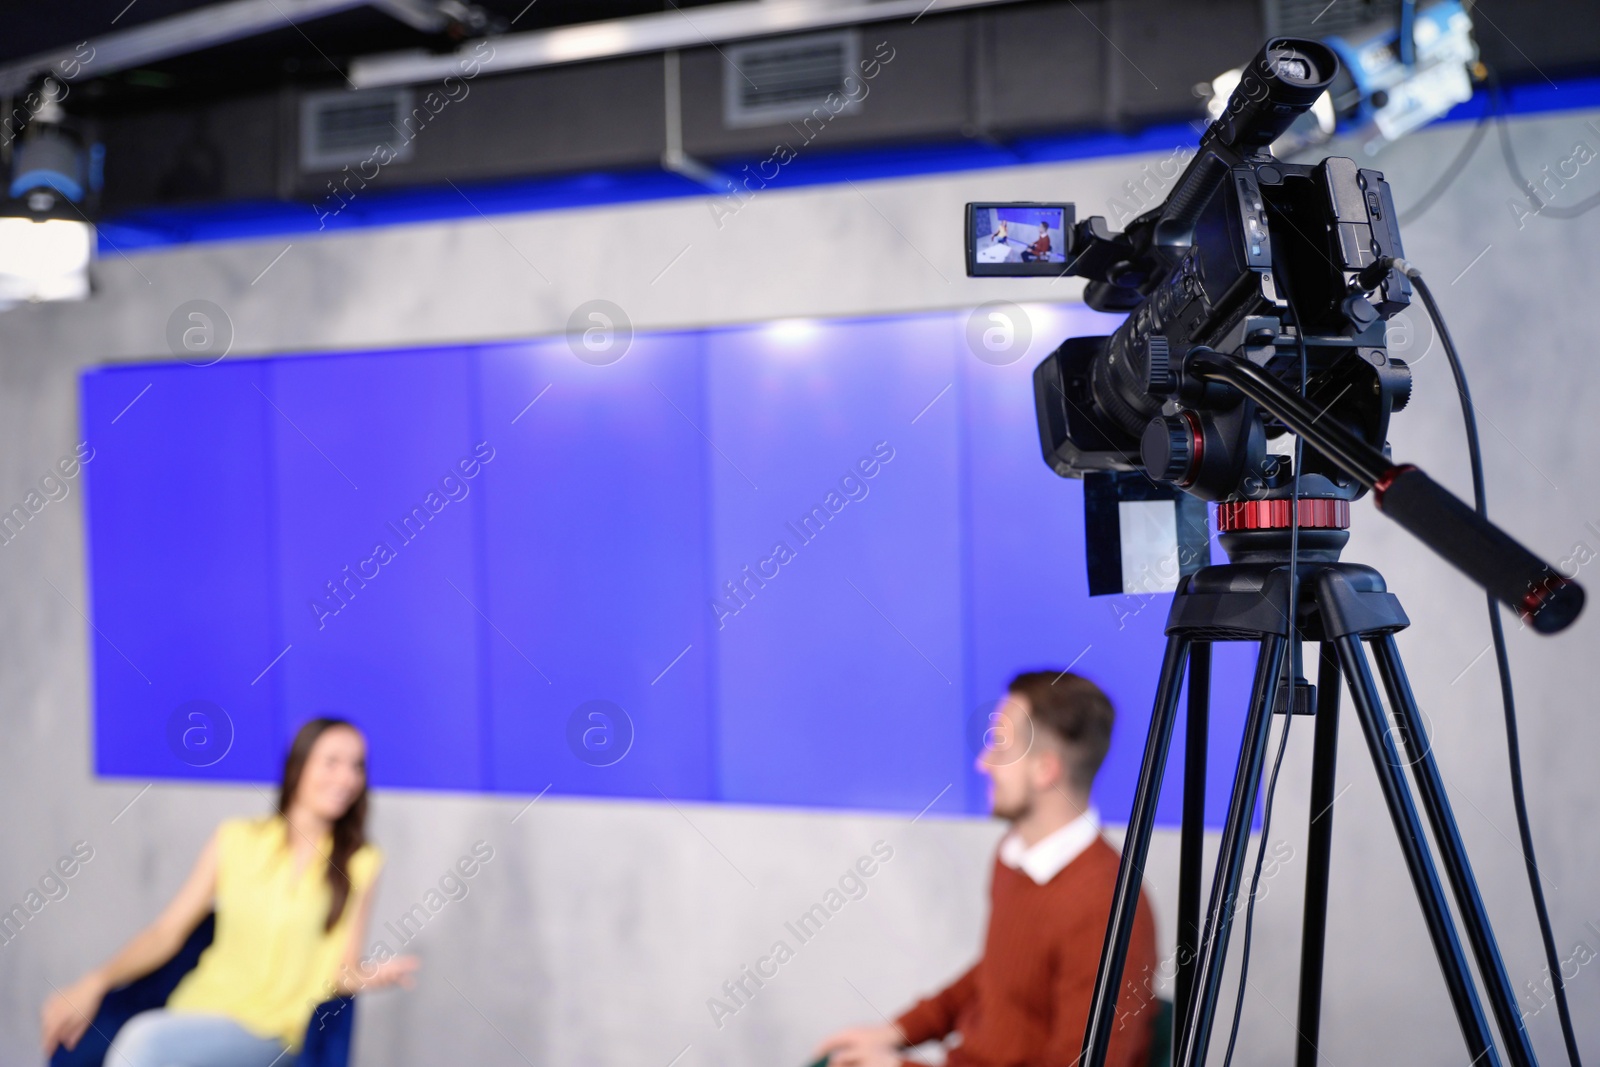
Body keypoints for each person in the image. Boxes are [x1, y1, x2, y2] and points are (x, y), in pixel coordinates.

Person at [815, 671, 1157, 1067]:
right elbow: (997, 978)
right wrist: (897, 1033)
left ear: (1045, 770)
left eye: (999, 746)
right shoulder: (1014, 856)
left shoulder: (1104, 906)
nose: (983, 763)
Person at [41, 718, 419, 1066]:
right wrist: (94, 982)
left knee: (141, 1045)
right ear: (299, 766)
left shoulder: (362, 862)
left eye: (357, 766)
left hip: (273, 1029)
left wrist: (370, 976)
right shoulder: (236, 839)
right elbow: (166, 933)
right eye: (332, 762)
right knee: (137, 1040)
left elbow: (341, 971)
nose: (347, 778)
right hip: (200, 1007)